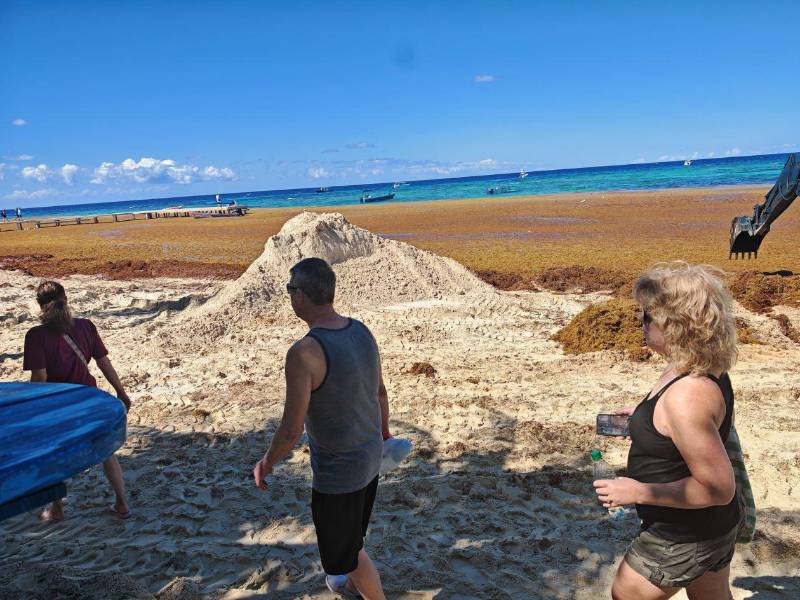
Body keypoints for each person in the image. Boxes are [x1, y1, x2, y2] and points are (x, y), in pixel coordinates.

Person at [594, 262, 742, 600]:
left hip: (683, 535)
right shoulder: (698, 363)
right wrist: (644, 419)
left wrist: (637, 492)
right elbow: (692, 427)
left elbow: (718, 489)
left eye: (647, 317)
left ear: (676, 325)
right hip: (712, 529)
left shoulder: (688, 396)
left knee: (626, 593)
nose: (640, 324)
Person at [253, 258, 390, 600]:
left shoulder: (304, 352)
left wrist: (267, 462)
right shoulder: (361, 330)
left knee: (350, 553)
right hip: (370, 457)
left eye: (289, 290)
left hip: (339, 474)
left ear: (299, 296)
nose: (289, 296)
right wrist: (384, 435)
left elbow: (290, 429)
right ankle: (344, 583)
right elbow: (380, 392)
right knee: (350, 538)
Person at [23, 280, 133, 521]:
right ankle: (122, 503)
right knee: (106, 451)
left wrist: (32, 409)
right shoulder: (85, 327)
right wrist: (121, 392)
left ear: (40, 306)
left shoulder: (35, 336)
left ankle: (56, 507)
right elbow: (104, 363)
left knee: (52, 454)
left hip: (58, 405)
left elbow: (40, 377)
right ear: (66, 298)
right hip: (89, 400)